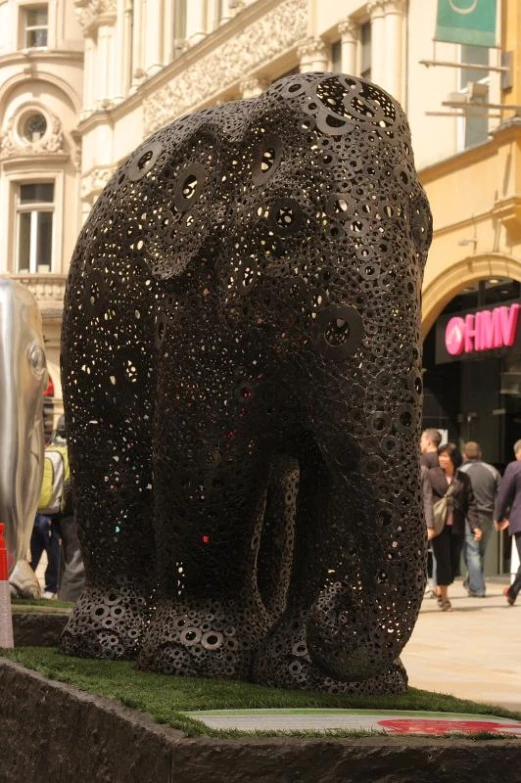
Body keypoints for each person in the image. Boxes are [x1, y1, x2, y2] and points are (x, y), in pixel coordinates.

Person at [426, 443, 481, 612]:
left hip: (456, 525)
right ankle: (444, 597)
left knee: (452, 560)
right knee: (442, 560)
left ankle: (442, 589)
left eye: (445, 456)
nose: (442, 459)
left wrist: (475, 526)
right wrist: (429, 524)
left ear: (453, 458)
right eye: (440, 455)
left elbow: (470, 504)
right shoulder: (432, 475)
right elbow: (426, 499)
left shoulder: (463, 478)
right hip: (438, 526)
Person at [460, 441, 501, 598]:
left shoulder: (462, 471)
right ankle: (473, 582)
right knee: (479, 552)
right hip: (488, 516)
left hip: (469, 517)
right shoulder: (492, 471)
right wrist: (499, 515)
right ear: (480, 454)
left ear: (464, 455)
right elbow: (500, 494)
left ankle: (477, 588)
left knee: (472, 552)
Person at [494, 439, 521, 606]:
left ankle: (513, 590)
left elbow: (503, 495)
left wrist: (499, 517)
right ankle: (513, 590)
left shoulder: (514, 467)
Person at [420, 428, 441, 596]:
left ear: (428, 441)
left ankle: (426, 583)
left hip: (428, 511)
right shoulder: (444, 459)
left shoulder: (424, 461)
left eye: (421, 440)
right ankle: (437, 585)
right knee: (438, 552)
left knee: (424, 551)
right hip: (440, 511)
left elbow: (426, 494)